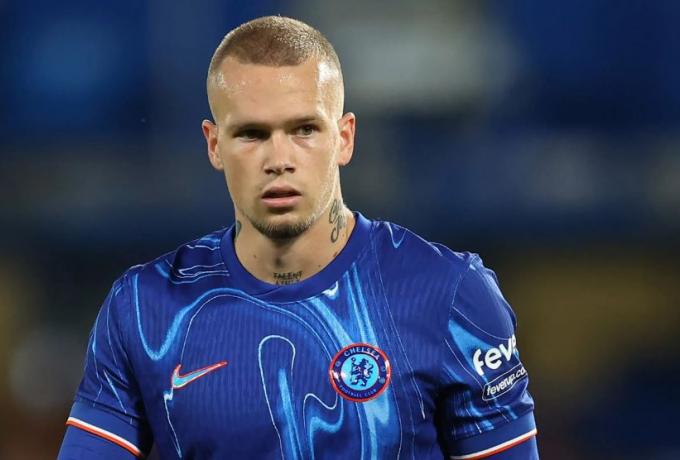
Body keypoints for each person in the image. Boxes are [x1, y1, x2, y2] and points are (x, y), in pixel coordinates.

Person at [58, 16, 538, 459]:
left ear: (344, 137)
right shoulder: (144, 311)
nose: (279, 160)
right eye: (252, 134)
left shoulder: (451, 294)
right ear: (214, 145)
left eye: (304, 129)